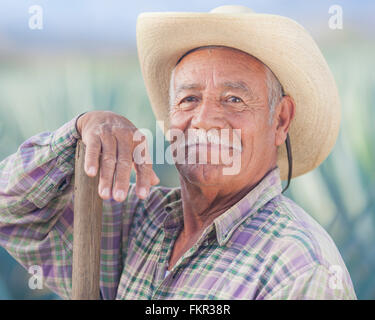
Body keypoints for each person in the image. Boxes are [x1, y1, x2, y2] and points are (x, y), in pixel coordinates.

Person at [0, 5, 356, 299]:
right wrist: (81, 128)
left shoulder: (300, 270)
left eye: (234, 99)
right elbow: (9, 214)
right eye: (189, 99)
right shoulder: (137, 225)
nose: (203, 121)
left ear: (280, 120)